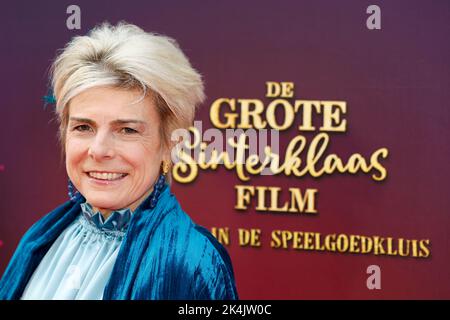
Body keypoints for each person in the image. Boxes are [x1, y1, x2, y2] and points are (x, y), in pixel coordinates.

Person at [0, 22, 238, 300]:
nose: (99, 151)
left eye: (127, 130)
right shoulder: (41, 238)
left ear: (169, 145)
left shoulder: (191, 263)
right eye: (83, 127)